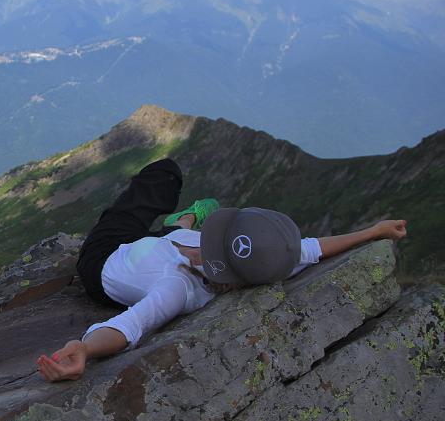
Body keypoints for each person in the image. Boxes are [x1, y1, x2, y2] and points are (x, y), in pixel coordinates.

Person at [36, 158, 407, 383]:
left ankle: (182, 222)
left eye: (209, 249)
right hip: (159, 242)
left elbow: (128, 327)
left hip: (107, 256)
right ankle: (182, 223)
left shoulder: (175, 289)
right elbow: (310, 248)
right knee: (168, 175)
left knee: (156, 180)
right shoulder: (267, 261)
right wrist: (374, 231)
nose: (204, 250)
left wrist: (83, 348)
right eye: (214, 238)